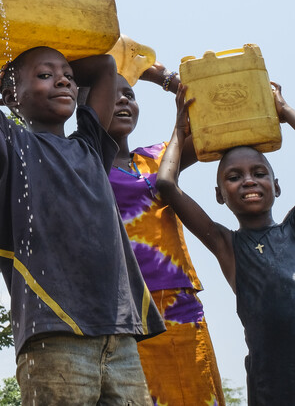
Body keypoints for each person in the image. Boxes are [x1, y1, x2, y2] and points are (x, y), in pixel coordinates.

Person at [0, 0, 165, 405]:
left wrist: (46, 63)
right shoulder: (10, 144)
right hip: (54, 332)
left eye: (66, 74)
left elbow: (104, 66)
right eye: (45, 75)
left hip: (119, 335)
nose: (63, 80)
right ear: (10, 93)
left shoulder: (90, 146)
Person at [156, 83, 295, 405]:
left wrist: (285, 111)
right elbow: (166, 183)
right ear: (220, 196)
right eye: (234, 177)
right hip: (271, 392)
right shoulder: (228, 246)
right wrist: (180, 130)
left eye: (259, 173)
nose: (248, 180)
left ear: (276, 186)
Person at [107, 70, 225, 405]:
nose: (122, 100)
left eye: (129, 94)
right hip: (122, 313)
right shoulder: (81, 161)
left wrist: (164, 79)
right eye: (110, 93)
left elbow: (214, 121)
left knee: (197, 395)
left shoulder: (158, 157)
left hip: (179, 305)